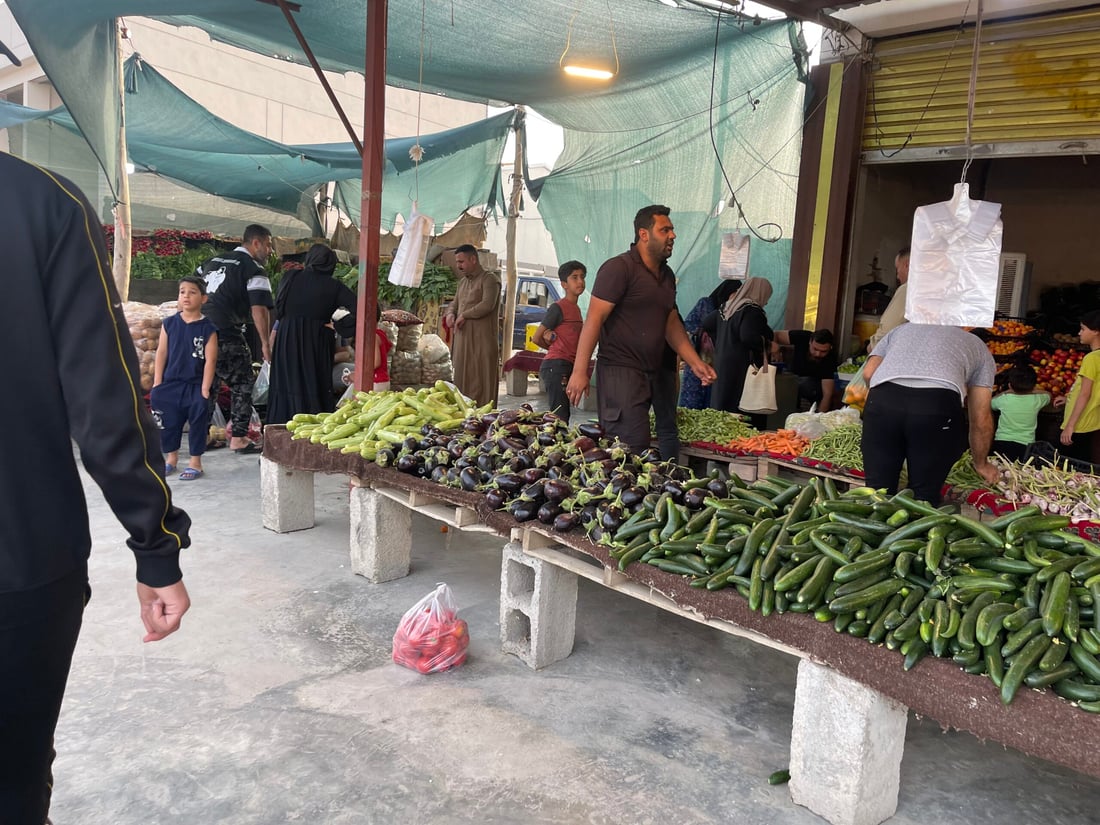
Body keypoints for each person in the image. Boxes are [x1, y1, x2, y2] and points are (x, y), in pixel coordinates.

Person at [0, 150, 192, 823]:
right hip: (21, 563)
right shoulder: (42, 204)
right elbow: (104, 405)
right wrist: (156, 545)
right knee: (14, 782)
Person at [564, 205, 716, 453]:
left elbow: (670, 322)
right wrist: (580, 371)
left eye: (672, 230)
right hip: (621, 373)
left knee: (658, 440)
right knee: (629, 447)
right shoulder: (618, 269)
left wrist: (695, 363)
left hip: (655, 371)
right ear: (644, 234)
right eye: (665, 229)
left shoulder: (666, 275)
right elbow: (594, 320)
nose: (672, 235)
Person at [859, 323, 999, 504]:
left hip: (882, 401)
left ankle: (872, 526)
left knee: (877, 492)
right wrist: (981, 464)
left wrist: (888, 403)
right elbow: (981, 418)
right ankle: (916, 525)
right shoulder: (977, 345)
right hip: (935, 407)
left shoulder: (901, 329)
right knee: (923, 498)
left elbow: (869, 373)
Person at [198, 223, 274, 452]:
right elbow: (259, 309)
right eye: (269, 245)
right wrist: (265, 343)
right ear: (256, 243)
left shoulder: (209, 264)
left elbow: (187, 293)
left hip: (199, 333)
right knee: (242, 383)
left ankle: (200, 436)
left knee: (206, 385)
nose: (270, 251)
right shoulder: (253, 269)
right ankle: (239, 437)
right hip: (226, 333)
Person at [266, 243, 358, 425]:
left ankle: (280, 429)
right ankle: (311, 430)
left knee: (286, 381)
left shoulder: (290, 277)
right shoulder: (334, 287)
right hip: (315, 340)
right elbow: (368, 310)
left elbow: (279, 307)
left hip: (287, 338)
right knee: (312, 380)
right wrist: (339, 325)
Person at [150, 276, 219, 480]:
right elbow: (161, 353)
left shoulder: (208, 328)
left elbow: (210, 360)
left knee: (197, 423)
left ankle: (195, 462)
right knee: (168, 422)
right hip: (170, 384)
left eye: (192, 292)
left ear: (203, 298)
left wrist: (205, 388)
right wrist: (157, 382)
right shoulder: (169, 324)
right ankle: (171, 459)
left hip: (195, 385)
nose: (186, 296)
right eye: (182, 292)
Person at [702, 276, 774, 430]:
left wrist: (721, 341)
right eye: (767, 297)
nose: (766, 301)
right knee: (741, 408)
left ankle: (719, 441)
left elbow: (706, 323)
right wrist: (767, 344)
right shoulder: (752, 310)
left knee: (723, 406)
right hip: (742, 367)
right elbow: (748, 336)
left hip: (722, 363)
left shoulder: (726, 308)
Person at [443, 245, 501, 408]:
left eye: (461, 261)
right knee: (461, 380)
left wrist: (465, 315)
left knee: (482, 382)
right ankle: (464, 417)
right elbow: (454, 303)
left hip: (482, 343)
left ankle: (483, 421)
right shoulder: (462, 282)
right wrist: (450, 314)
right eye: (457, 262)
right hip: (462, 341)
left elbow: (487, 305)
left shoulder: (489, 279)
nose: (458, 266)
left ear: (473, 259)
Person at [533, 261, 586, 423]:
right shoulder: (558, 308)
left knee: (563, 413)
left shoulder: (576, 309)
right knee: (559, 415)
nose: (580, 281)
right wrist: (554, 348)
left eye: (582, 277)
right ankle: (553, 446)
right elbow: (536, 337)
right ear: (564, 284)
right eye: (574, 277)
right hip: (555, 366)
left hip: (566, 364)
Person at [680, 279, 741, 409]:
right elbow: (688, 324)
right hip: (699, 356)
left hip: (718, 360)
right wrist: (704, 332)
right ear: (727, 291)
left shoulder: (735, 310)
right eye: (734, 293)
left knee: (712, 399)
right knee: (693, 398)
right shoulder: (706, 303)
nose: (736, 297)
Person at [1059, 310, 1100, 463]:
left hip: (1080, 423)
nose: (1079, 333)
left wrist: (1070, 426)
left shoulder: (1091, 359)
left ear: (1095, 331)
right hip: (1093, 420)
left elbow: (1085, 393)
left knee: (1068, 468)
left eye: (1083, 329)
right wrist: (1068, 398)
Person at [991, 365, 1050, 462]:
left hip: (1002, 442)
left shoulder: (1004, 399)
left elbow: (991, 403)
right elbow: (1048, 395)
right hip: (1026, 445)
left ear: (1010, 385)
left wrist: (1007, 392)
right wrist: (1033, 390)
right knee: (1019, 472)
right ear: (1034, 386)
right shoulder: (1037, 400)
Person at [771, 328, 838, 412]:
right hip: (792, 376)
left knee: (805, 383)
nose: (818, 354)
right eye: (815, 349)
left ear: (830, 348)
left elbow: (828, 394)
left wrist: (819, 417)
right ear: (810, 341)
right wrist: (774, 348)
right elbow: (776, 334)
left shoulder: (830, 358)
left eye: (823, 351)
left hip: (813, 385)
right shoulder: (802, 337)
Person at [867, 247, 910, 350]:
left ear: (907, 265)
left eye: (897, 269)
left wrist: (872, 346)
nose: (897, 276)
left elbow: (888, 330)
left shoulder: (908, 289)